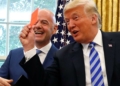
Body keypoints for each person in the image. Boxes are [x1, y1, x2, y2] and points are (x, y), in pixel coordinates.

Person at [20, 0, 120, 86]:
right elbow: (43, 83)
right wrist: (29, 48)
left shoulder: (117, 41)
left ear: (93, 18)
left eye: (75, 18)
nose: (70, 25)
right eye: (67, 21)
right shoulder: (63, 56)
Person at [0, 8, 58, 86]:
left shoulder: (61, 58)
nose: (37, 26)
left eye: (44, 22)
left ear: (54, 29)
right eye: (35, 22)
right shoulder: (13, 55)